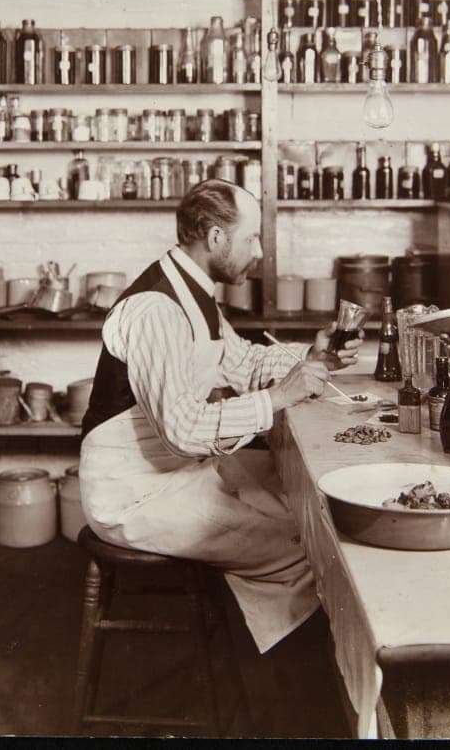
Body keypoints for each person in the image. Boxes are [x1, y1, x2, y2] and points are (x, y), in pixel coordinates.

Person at [78, 179, 362, 654]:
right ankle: (285, 693)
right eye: (251, 238)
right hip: (134, 491)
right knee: (305, 546)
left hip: (174, 472)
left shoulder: (192, 292)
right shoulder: (157, 308)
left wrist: (313, 357)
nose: (260, 252)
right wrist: (279, 398)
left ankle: (258, 651)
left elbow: (244, 363)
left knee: (308, 504)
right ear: (214, 239)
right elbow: (185, 431)